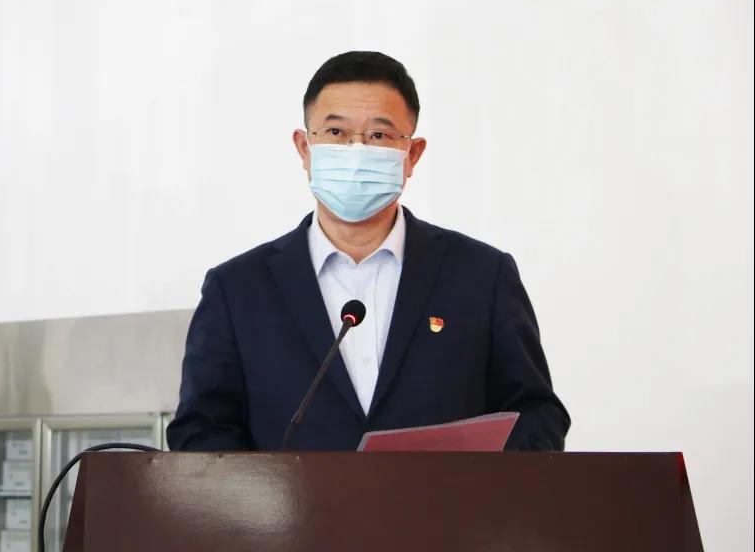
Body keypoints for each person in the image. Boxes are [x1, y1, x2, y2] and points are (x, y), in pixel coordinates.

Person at [167, 51, 570, 451]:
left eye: (379, 136)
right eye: (336, 132)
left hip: (446, 497)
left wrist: (476, 485)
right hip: (290, 498)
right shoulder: (237, 289)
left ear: (412, 154)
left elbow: (536, 414)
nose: (356, 151)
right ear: (304, 148)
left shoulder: (482, 275)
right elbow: (200, 431)